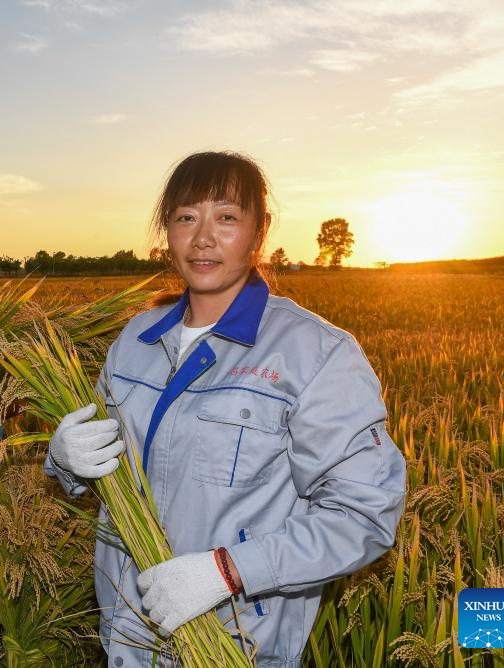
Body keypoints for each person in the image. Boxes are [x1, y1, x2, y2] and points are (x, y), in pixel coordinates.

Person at [45, 152, 407, 667]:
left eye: (227, 217)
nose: (203, 238)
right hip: (124, 636)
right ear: (166, 231)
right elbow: (97, 473)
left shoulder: (314, 354)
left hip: (238, 645)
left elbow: (364, 515)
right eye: (186, 217)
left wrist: (227, 571)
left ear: (259, 233)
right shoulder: (134, 342)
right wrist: (64, 460)